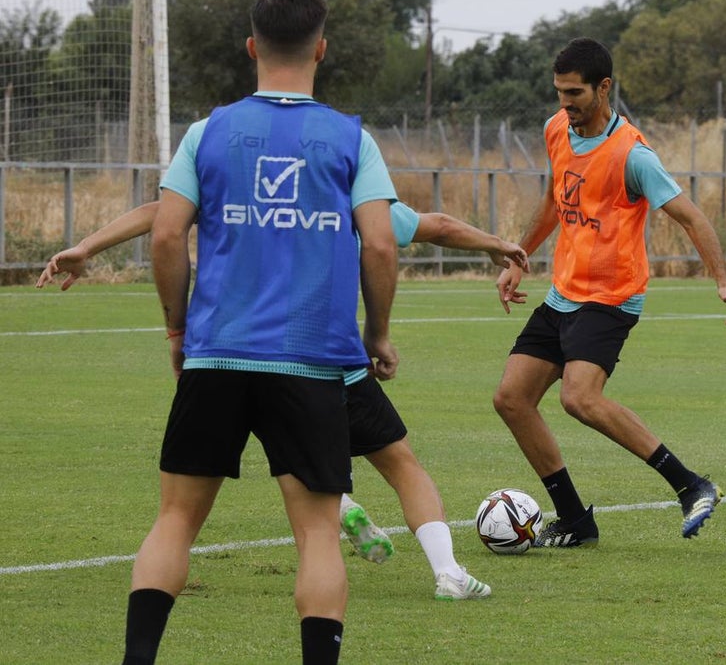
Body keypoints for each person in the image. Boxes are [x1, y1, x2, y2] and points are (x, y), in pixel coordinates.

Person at [38, 199, 528, 601]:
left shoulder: (235, 188)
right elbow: (435, 225)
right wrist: (496, 243)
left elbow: (158, 214)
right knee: (401, 465)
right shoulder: (349, 198)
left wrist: (86, 246)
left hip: (232, 357)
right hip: (326, 359)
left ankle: (340, 507)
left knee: (263, 465)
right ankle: (447, 573)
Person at [122, 0, 399, 665]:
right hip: (309, 362)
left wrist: (176, 331)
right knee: (317, 537)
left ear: (252, 46)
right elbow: (383, 245)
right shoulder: (350, 138)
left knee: (176, 521)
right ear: (322, 49)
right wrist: (378, 334)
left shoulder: (206, 132)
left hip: (216, 354)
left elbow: (164, 237)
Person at [492, 37, 726, 547]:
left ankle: (690, 484)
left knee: (579, 398)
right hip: (564, 291)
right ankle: (574, 520)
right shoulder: (556, 129)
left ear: (604, 87)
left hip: (610, 295)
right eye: (559, 93)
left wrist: (722, 280)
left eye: (575, 93)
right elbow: (553, 200)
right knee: (511, 399)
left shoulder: (633, 155)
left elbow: (691, 216)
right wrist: (518, 257)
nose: (565, 104)